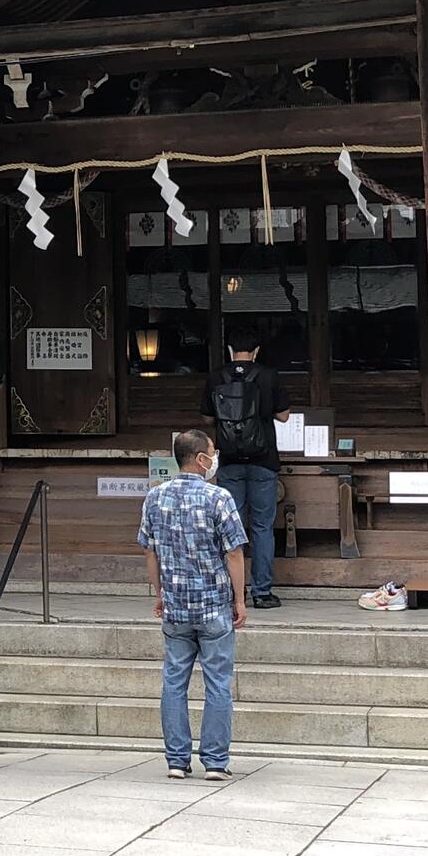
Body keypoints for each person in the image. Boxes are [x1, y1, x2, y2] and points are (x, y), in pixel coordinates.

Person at [137, 425, 247, 780]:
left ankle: (176, 760)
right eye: (212, 452)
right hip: (214, 604)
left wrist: (159, 594)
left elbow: (150, 553)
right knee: (218, 682)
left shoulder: (155, 497)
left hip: (176, 606)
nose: (215, 458)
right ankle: (215, 761)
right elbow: (234, 553)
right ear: (201, 458)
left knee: (173, 682)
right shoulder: (220, 498)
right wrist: (240, 599)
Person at [211, 332, 282, 608]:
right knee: (263, 527)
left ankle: (232, 592)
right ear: (256, 350)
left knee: (231, 527)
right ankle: (262, 592)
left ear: (230, 350)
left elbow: (206, 415)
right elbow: (285, 414)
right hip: (264, 461)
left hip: (229, 461)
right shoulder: (268, 375)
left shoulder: (217, 376)